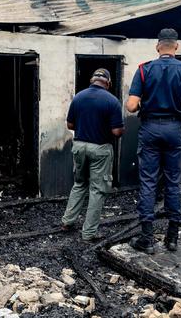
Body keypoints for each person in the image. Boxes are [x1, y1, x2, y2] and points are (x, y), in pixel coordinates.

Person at [126, 28, 181, 253]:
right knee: (172, 181)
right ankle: (172, 239)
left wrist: (146, 103)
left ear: (158, 47)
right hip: (174, 129)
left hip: (150, 128)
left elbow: (131, 106)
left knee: (148, 182)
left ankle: (147, 240)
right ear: (176, 47)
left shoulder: (144, 70)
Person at [61, 68, 125, 242]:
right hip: (100, 149)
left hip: (79, 146)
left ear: (92, 80)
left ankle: (67, 221)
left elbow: (70, 125)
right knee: (97, 190)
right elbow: (117, 131)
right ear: (108, 83)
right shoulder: (112, 101)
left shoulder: (79, 97)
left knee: (79, 183)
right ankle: (89, 233)